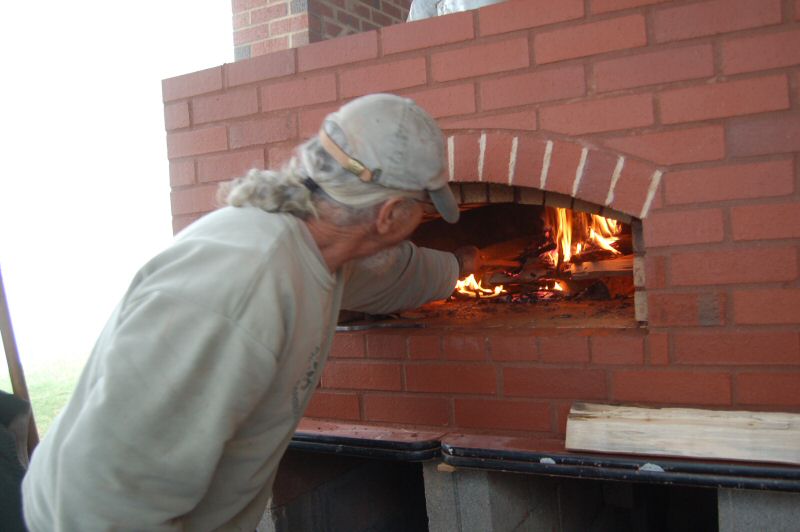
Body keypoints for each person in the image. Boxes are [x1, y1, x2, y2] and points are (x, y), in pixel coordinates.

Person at [21, 93, 479, 530]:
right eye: (421, 207)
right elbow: (103, 498)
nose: (419, 219)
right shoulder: (240, 287)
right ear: (391, 215)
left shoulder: (320, 246)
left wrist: (460, 267)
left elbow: (396, 272)